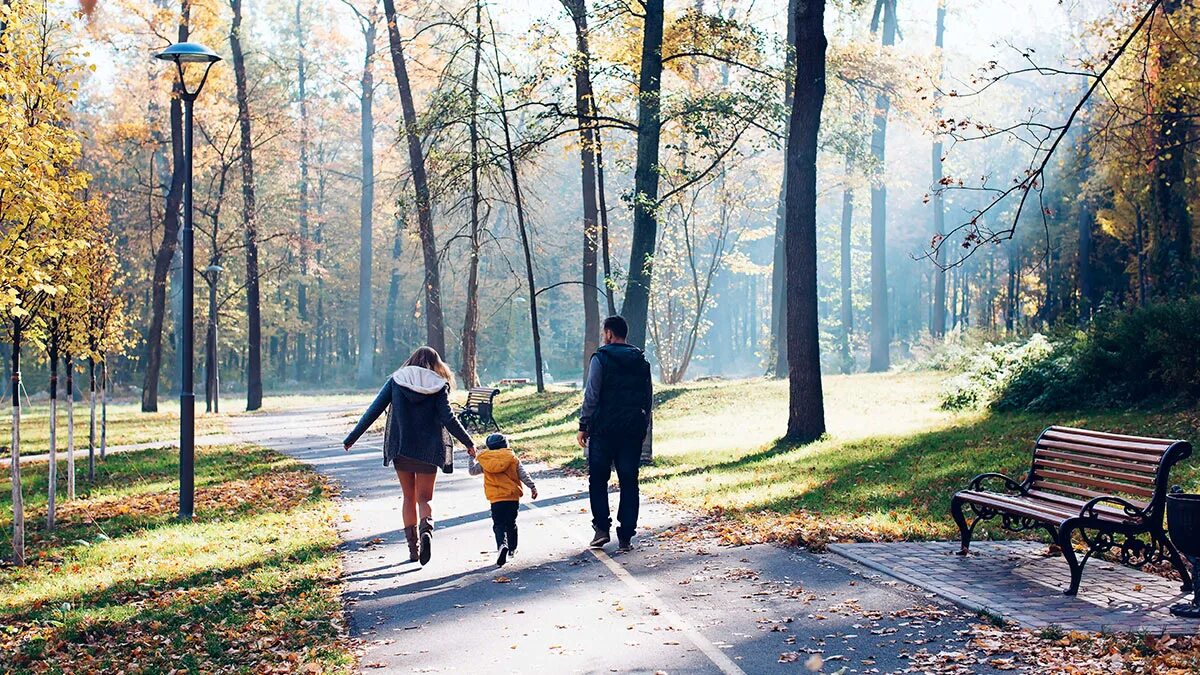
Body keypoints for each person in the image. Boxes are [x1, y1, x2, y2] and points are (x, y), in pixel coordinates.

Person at [343, 346, 477, 566]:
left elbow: (374, 410)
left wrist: (352, 438)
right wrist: (469, 443)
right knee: (425, 499)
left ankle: (413, 550)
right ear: (435, 363)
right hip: (429, 450)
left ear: (411, 360)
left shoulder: (396, 380)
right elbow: (449, 418)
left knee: (408, 497)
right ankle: (427, 529)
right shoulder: (438, 385)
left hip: (402, 447)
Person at [577, 315, 653, 552]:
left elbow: (592, 395)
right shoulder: (641, 362)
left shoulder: (601, 358)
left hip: (603, 430)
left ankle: (601, 528)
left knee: (598, 480)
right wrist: (643, 428)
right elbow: (647, 398)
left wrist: (583, 425)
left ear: (609, 333)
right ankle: (626, 535)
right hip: (631, 431)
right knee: (629, 482)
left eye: (604, 333)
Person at [467, 433, 538, 567]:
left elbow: (472, 471)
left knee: (498, 524)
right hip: (512, 497)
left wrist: (471, 457)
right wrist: (532, 487)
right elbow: (523, 474)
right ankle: (512, 548)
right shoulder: (512, 458)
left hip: (496, 498)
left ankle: (501, 545)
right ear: (505, 445)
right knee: (511, 523)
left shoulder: (485, 460)